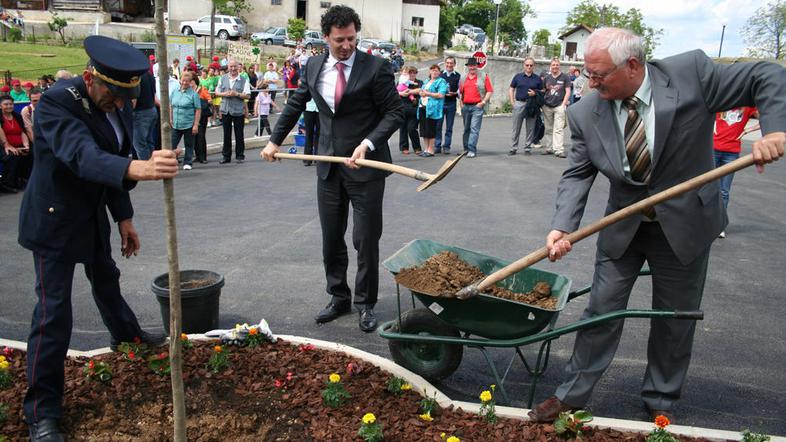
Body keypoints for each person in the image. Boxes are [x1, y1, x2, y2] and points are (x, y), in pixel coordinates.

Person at [528, 27, 786, 425]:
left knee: (674, 317)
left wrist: (774, 130)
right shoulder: (585, 111)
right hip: (624, 225)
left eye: (599, 75)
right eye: (587, 75)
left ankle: (661, 396)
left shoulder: (691, 75)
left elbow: (765, 75)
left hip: (685, 224)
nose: (590, 83)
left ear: (632, 65)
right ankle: (573, 394)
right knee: (601, 309)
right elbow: (578, 173)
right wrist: (563, 226)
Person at [17, 35, 180, 441]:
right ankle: (42, 411)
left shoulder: (117, 103)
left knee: (106, 279)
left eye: (128, 97)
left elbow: (111, 155)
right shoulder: (57, 103)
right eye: (114, 94)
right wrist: (139, 168)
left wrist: (123, 217)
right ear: (91, 78)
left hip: (91, 216)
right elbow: (83, 156)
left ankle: (127, 334)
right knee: (54, 313)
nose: (122, 105)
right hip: (53, 220)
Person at [262, 4, 404, 332]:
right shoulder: (312, 66)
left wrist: (367, 144)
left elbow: (395, 112)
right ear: (326, 37)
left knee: (365, 238)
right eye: (340, 39)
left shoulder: (376, 68)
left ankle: (365, 303)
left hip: (366, 167)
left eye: (352, 39)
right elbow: (297, 103)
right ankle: (338, 296)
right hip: (328, 167)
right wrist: (274, 141)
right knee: (331, 238)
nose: (347, 45)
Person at [713, 107, 759, 238]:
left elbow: (767, 117)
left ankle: (719, 226)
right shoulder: (723, 100)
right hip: (713, 148)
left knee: (723, 191)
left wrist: (748, 130)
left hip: (731, 152)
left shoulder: (748, 106)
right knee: (707, 188)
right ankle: (703, 223)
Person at [215, 59, 250, 164]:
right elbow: (217, 91)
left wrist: (237, 94)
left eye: (235, 66)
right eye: (231, 66)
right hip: (225, 110)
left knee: (239, 134)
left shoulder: (244, 80)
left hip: (238, 111)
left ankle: (240, 155)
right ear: (228, 67)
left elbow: (247, 95)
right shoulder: (222, 78)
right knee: (226, 134)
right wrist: (225, 94)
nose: (233, 68)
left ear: (238, 67)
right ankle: (226, 156)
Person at [508, 57, 543, 156]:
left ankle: (527, 148)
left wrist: (535, 93)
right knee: (516, 128)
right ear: (524, 65)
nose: (529, 67)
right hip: (519, 103)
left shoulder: (537, 78)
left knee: (530, 127)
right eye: (527, 65)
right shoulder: (518, 77)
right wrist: (512, 102)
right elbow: (511, 88)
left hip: (532, 105)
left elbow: (543, 90)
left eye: (531, 65)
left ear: (533, 66)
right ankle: (513, 148)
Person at [458, 58, 492, 158]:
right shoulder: (463, 77)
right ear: (468, 66)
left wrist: (483, 102)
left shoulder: (483, 76)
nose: (472, 67)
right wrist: (461, 104)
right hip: (465, 106)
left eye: (474, 65)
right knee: (466, 129)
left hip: (477, 106)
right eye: (470, 65)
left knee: (474, 129)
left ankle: (472, 150)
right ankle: (466, 149)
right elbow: (460, 92)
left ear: (477, 66)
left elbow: (489, 90)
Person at [169, 71, 201, 170]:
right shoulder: (175, 91)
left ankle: (188, 162)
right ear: (180, 80)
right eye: (183, 80)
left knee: (189, 144)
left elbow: (198, 110)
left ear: (190, 82)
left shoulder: (193, 94)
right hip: (176, 123)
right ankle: (170, 161)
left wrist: (195, 125)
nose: (184, 83)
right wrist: (170, 118)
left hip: (188, 123)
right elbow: (171, 106)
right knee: (171, 144)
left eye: (187, 81)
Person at [541, 58, 571, 158]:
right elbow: (544, 91)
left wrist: (564, 104)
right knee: (548, 128)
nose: (555, 67)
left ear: (559, 66)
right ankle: (549, 148)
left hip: (559, 106)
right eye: (553, 65)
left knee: (558, 129)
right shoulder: (547, 78)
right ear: (550, 66)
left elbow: (568, 91)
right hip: (547, 106)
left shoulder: (565, 77)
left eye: (557, 65)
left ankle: (559, 150)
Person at [1, 95, 32, 190]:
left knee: (30, 153)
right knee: (12, 156)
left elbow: (22, 132)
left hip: (18, 144)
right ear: (0, 106)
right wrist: (7, 145)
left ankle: (24, 179)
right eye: (6, 104)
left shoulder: (17, 116)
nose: (9, 106)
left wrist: (26, 145)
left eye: (11, 104)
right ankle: (7, 184)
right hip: (3, 145)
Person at [417, 64, 448, 157]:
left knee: (431, 129)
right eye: (433, 70)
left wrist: (428, 93)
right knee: (423, 130)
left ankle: (431, 150)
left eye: (436, 70)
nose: (434, 72)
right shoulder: (426, 81)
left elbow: (441, 95)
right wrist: (421, 93)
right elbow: (422, 91)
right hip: (423, 107)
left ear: (439, 72)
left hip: (433, 109)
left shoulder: (441, 81)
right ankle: (426, 149)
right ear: (430, 71)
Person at [435, 56, 460, 155]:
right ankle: (437, 145)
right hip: (441, 103)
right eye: (448, 63)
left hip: (451, 103)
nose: (449, 65)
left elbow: (460, 90)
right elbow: (435, 88)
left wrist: (455, 93)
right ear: (445, 63)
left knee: (449, 127)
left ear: (454, 64)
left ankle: (446, 146)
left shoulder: (458, 76)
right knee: (438, 126)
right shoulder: (440, 75)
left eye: (451, 63)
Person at [396, 66, 422, 155]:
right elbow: (394, 92)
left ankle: (417, 147)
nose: (412, 74)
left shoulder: (419, 82)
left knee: (412, 128)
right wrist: (401, 93)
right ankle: (404, 147)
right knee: (403, 128)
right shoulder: (401, 82)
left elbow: (420, 90)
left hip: (414, 109)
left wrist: (409, 91)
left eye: (414, 73)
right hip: (402, 108)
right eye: (410, 73)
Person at [131, 70, 157, 160]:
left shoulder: (134, 77)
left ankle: (147, 169)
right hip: (151, 110)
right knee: (149, 142)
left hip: (140, 113)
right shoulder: (149, 75)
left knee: (139, 144)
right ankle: (153, 166)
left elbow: (133, 101)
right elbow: (154, 95)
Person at [193, 75, 211, 164]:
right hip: (191, 115)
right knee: (194, 136)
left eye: (191, 81)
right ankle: (197, 155)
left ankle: (203, 156)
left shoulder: (202, 90)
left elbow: (209, 100)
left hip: (202, 115)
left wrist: (200, 101)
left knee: (201, 136)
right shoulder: (188, 91)